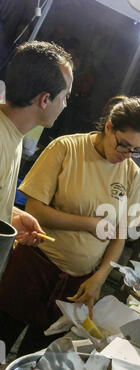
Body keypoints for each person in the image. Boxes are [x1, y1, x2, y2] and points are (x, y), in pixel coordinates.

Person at [0, 95, 140, 359]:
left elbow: (120, 233)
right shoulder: (66, 149)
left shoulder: (131, 174)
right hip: (33, 267)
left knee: (39, 363)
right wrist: (90, 224)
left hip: (77, 285)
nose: (127, 156)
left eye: (136, 150)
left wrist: (99, 278)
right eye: (123, 145)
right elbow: (36, 211)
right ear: (108, 127)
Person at [0, 40, 73, 245]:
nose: (65, 105)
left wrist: (11, 216)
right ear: (45, 99)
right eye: (65, 97)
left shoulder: (13, 133)